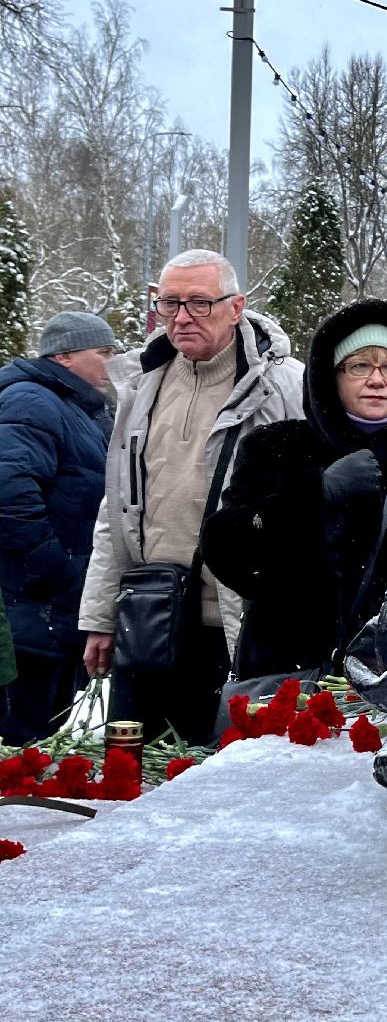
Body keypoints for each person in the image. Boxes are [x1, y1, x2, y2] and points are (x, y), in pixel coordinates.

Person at [78, 249, 305, 742]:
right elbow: (114, 507)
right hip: (149, 618)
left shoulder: (286, 386)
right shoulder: (142, 384)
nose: (181, 318)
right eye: (169, 303)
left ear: (237, 306)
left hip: (236, 625)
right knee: (132, 775)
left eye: (199, 303)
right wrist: (100, 615)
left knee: (213, 787)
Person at [203, 300, 387, 685]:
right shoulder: (276, 448)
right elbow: (227, 552)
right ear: (331, 376)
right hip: (289, 681)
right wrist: (315, 494)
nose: (377, 379)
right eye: (359, 366)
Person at [0, 312, 116, 743]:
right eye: (102, 353)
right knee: (17, 743)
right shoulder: (31, 400)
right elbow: (10, 495)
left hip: (55, 610)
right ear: (64, 356)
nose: (112, 363)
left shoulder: (86, 410)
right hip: (30, 612)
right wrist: (58, 571)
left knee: (36, 740)